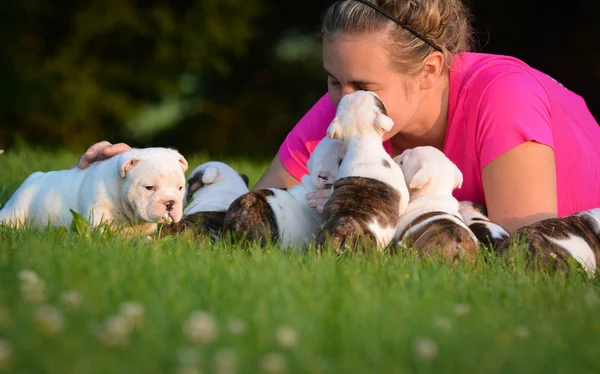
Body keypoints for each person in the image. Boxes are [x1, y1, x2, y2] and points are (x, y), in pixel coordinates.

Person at [77, 0, 600, 234]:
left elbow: (531, 252)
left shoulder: (503, 97)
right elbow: (255, 209)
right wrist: (138, 177)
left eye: (363, 87)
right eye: (333, 81)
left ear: (430, 70)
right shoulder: (348, 108)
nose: (342, 99)